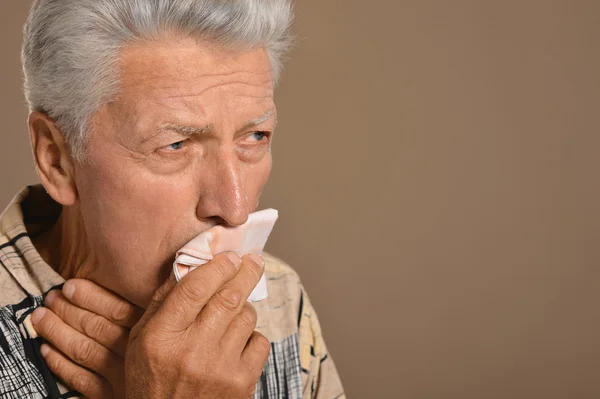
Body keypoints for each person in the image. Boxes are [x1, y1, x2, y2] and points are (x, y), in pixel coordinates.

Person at [0, 1, 345, 398]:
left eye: (255, 137)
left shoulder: (282, 297)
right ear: (56, 159)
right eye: (175, 144)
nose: (235, 209)